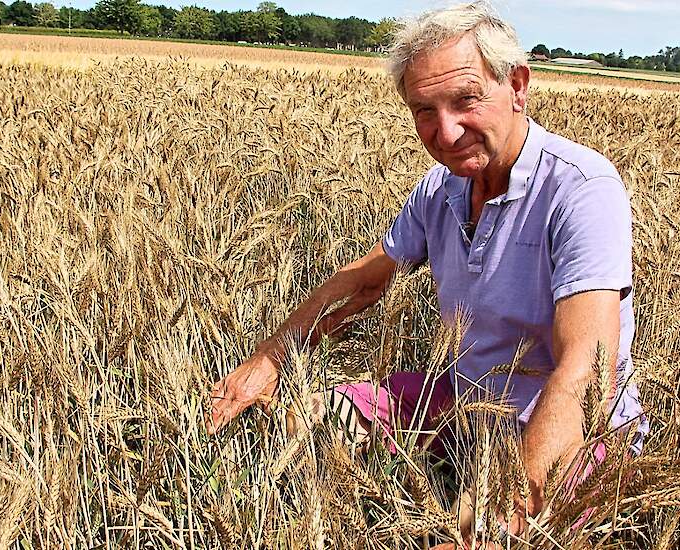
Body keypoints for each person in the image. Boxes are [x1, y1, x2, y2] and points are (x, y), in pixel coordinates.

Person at [206, 1, 647, 545]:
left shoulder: (581, 190)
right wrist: (268, 361)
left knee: (476, 535)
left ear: (517, 84)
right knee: (306, 418)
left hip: (566, 429)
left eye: (466, 100)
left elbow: (586, 372)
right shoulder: (441, 190)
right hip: (464, 401)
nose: (446, 131)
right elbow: (366, 279)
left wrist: (499, 511)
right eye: (423, 110)